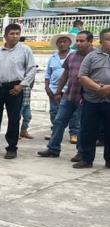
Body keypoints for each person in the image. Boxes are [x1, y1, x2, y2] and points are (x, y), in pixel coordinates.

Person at [0, 24, 36, 159]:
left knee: (13, 119)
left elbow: (31, 70)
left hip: (15, 88)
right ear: (5, 36)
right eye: (12, 33)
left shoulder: (25, 50)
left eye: (17, 33)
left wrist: (22, 85)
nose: (15, 36)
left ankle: (12, 148)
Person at [39, 31, 93, 161]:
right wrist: (58, 91)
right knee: (59, 121)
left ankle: (81, 152)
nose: (79, 43)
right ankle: (53, 149)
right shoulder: (72, 56)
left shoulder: (95, 56)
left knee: (81, 126)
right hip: (69, 95)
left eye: (82, 41)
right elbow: (65, 74)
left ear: (90, 42)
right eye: (78, 41)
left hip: (86, 98)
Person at [75, 28, 110, 169]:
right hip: (92, 101)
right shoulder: (91, 56)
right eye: (108, 39)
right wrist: (98, 89)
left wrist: (107, 89)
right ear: (101, 41)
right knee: (88, 131)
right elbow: (82, 76)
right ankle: (86, 159)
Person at [43, 33, 76, 141]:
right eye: (60, 42)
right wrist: (47, 87)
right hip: (53, 89)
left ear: (69, 43)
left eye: (64, 41)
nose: (62, 44)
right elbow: (48, 74)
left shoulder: (74, 55)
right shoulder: (53, 57)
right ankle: (55, 133)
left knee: (73, 113)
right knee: (54, 112)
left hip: (70, 89)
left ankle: (74, 133)